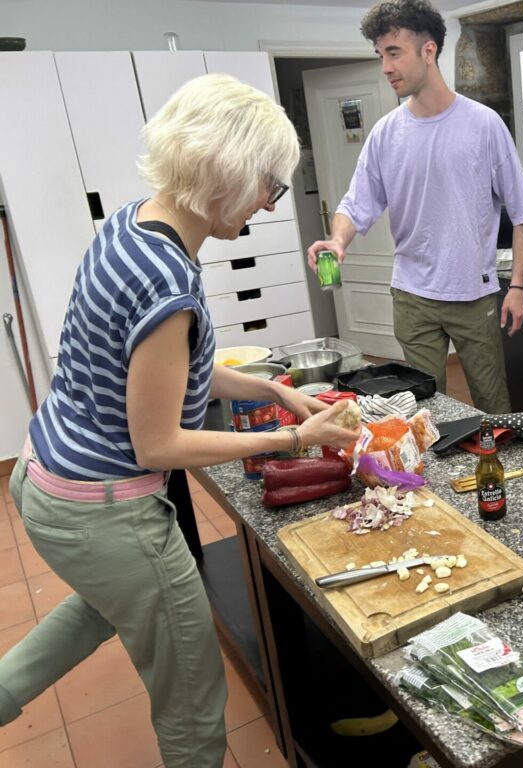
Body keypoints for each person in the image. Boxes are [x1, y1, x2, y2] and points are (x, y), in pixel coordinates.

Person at [0, 74, 359, 767]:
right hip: (106, 511)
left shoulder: (135, 225)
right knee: (194, 708)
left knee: (113, 606)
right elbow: (158, 442)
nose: (267, 202)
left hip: (48, 477)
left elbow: (169, 367)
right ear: (228, 169)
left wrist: (274, 391)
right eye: (268, 185)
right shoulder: (167, 280)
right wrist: (295, 438)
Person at [305, 0, 523, 415]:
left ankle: (498, 474)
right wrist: (337, 241)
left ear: (428, 52)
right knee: (422, 410)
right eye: (380, 56)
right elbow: (356, 204)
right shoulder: (384, 135)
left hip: (473, 294)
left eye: (394, 53)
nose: (385, 67)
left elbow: (522, 215)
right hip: (412, 295)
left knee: (493, 407)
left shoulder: (483, 125)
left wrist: (516, 286)